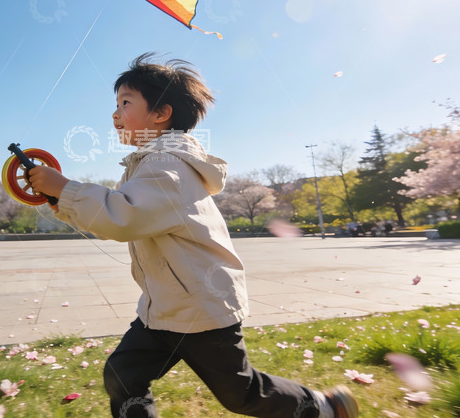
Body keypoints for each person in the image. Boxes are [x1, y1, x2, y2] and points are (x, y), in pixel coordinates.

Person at [27, 54, 358, 418]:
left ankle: (325, 408)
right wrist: (66, 201)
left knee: (240, 394)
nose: (114, 113)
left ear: (160, 113)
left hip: (202, 308)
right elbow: (122, 218)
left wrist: (68, 189)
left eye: (125, 103)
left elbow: (122, 217)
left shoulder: (167, 167)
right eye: (115, 104)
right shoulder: (147, 166)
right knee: (122, 375)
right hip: (164, 309)